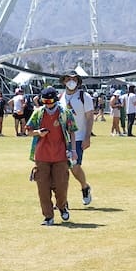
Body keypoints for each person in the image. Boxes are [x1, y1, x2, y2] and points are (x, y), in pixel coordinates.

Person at [27, 87, 77, 225]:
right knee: (43, 188)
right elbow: (28, 131)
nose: (48, 104)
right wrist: (38, 132)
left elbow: (72, 131)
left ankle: (62, 206)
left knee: (61, 186)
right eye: (45, 101)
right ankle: (48, 216)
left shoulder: (65, 113)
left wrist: (73, 150)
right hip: (41, 156)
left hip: (60, 156)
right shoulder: (38, 113)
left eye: (50, 101)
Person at [60, 72, 95, 206]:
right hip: (63, 138)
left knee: (75, 167)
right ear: (64, 81)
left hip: (79, 137)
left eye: (74, 79)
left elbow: (90, 117)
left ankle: (84, 186)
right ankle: (62, 199)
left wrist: (87, 137)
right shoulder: (61, 97)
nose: (71, 81)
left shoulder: (84, 97)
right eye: (68, 78)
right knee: (61, 170)